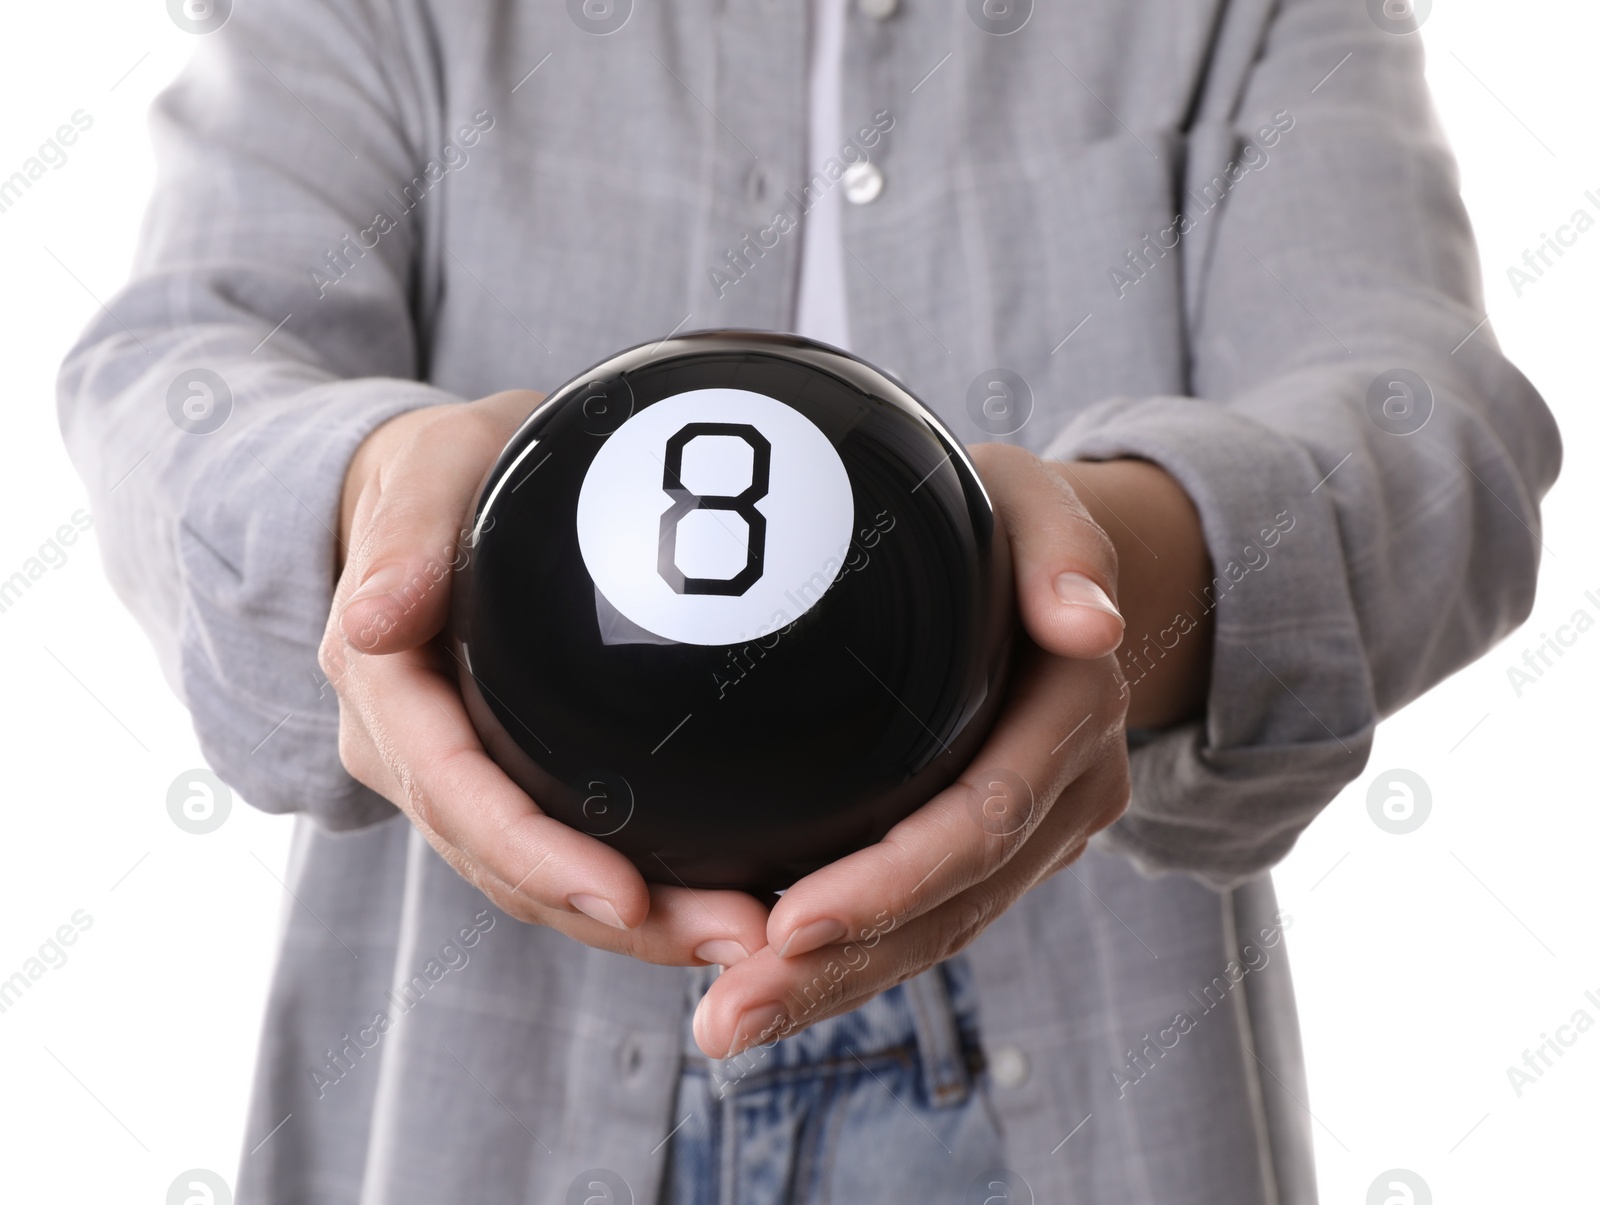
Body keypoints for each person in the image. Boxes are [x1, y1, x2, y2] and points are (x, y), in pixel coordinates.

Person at [57, 0, 1560, 1201]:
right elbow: (176, 368)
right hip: (475, 1107)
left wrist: (1111, 567)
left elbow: (1441, 426)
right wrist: (370, 495)